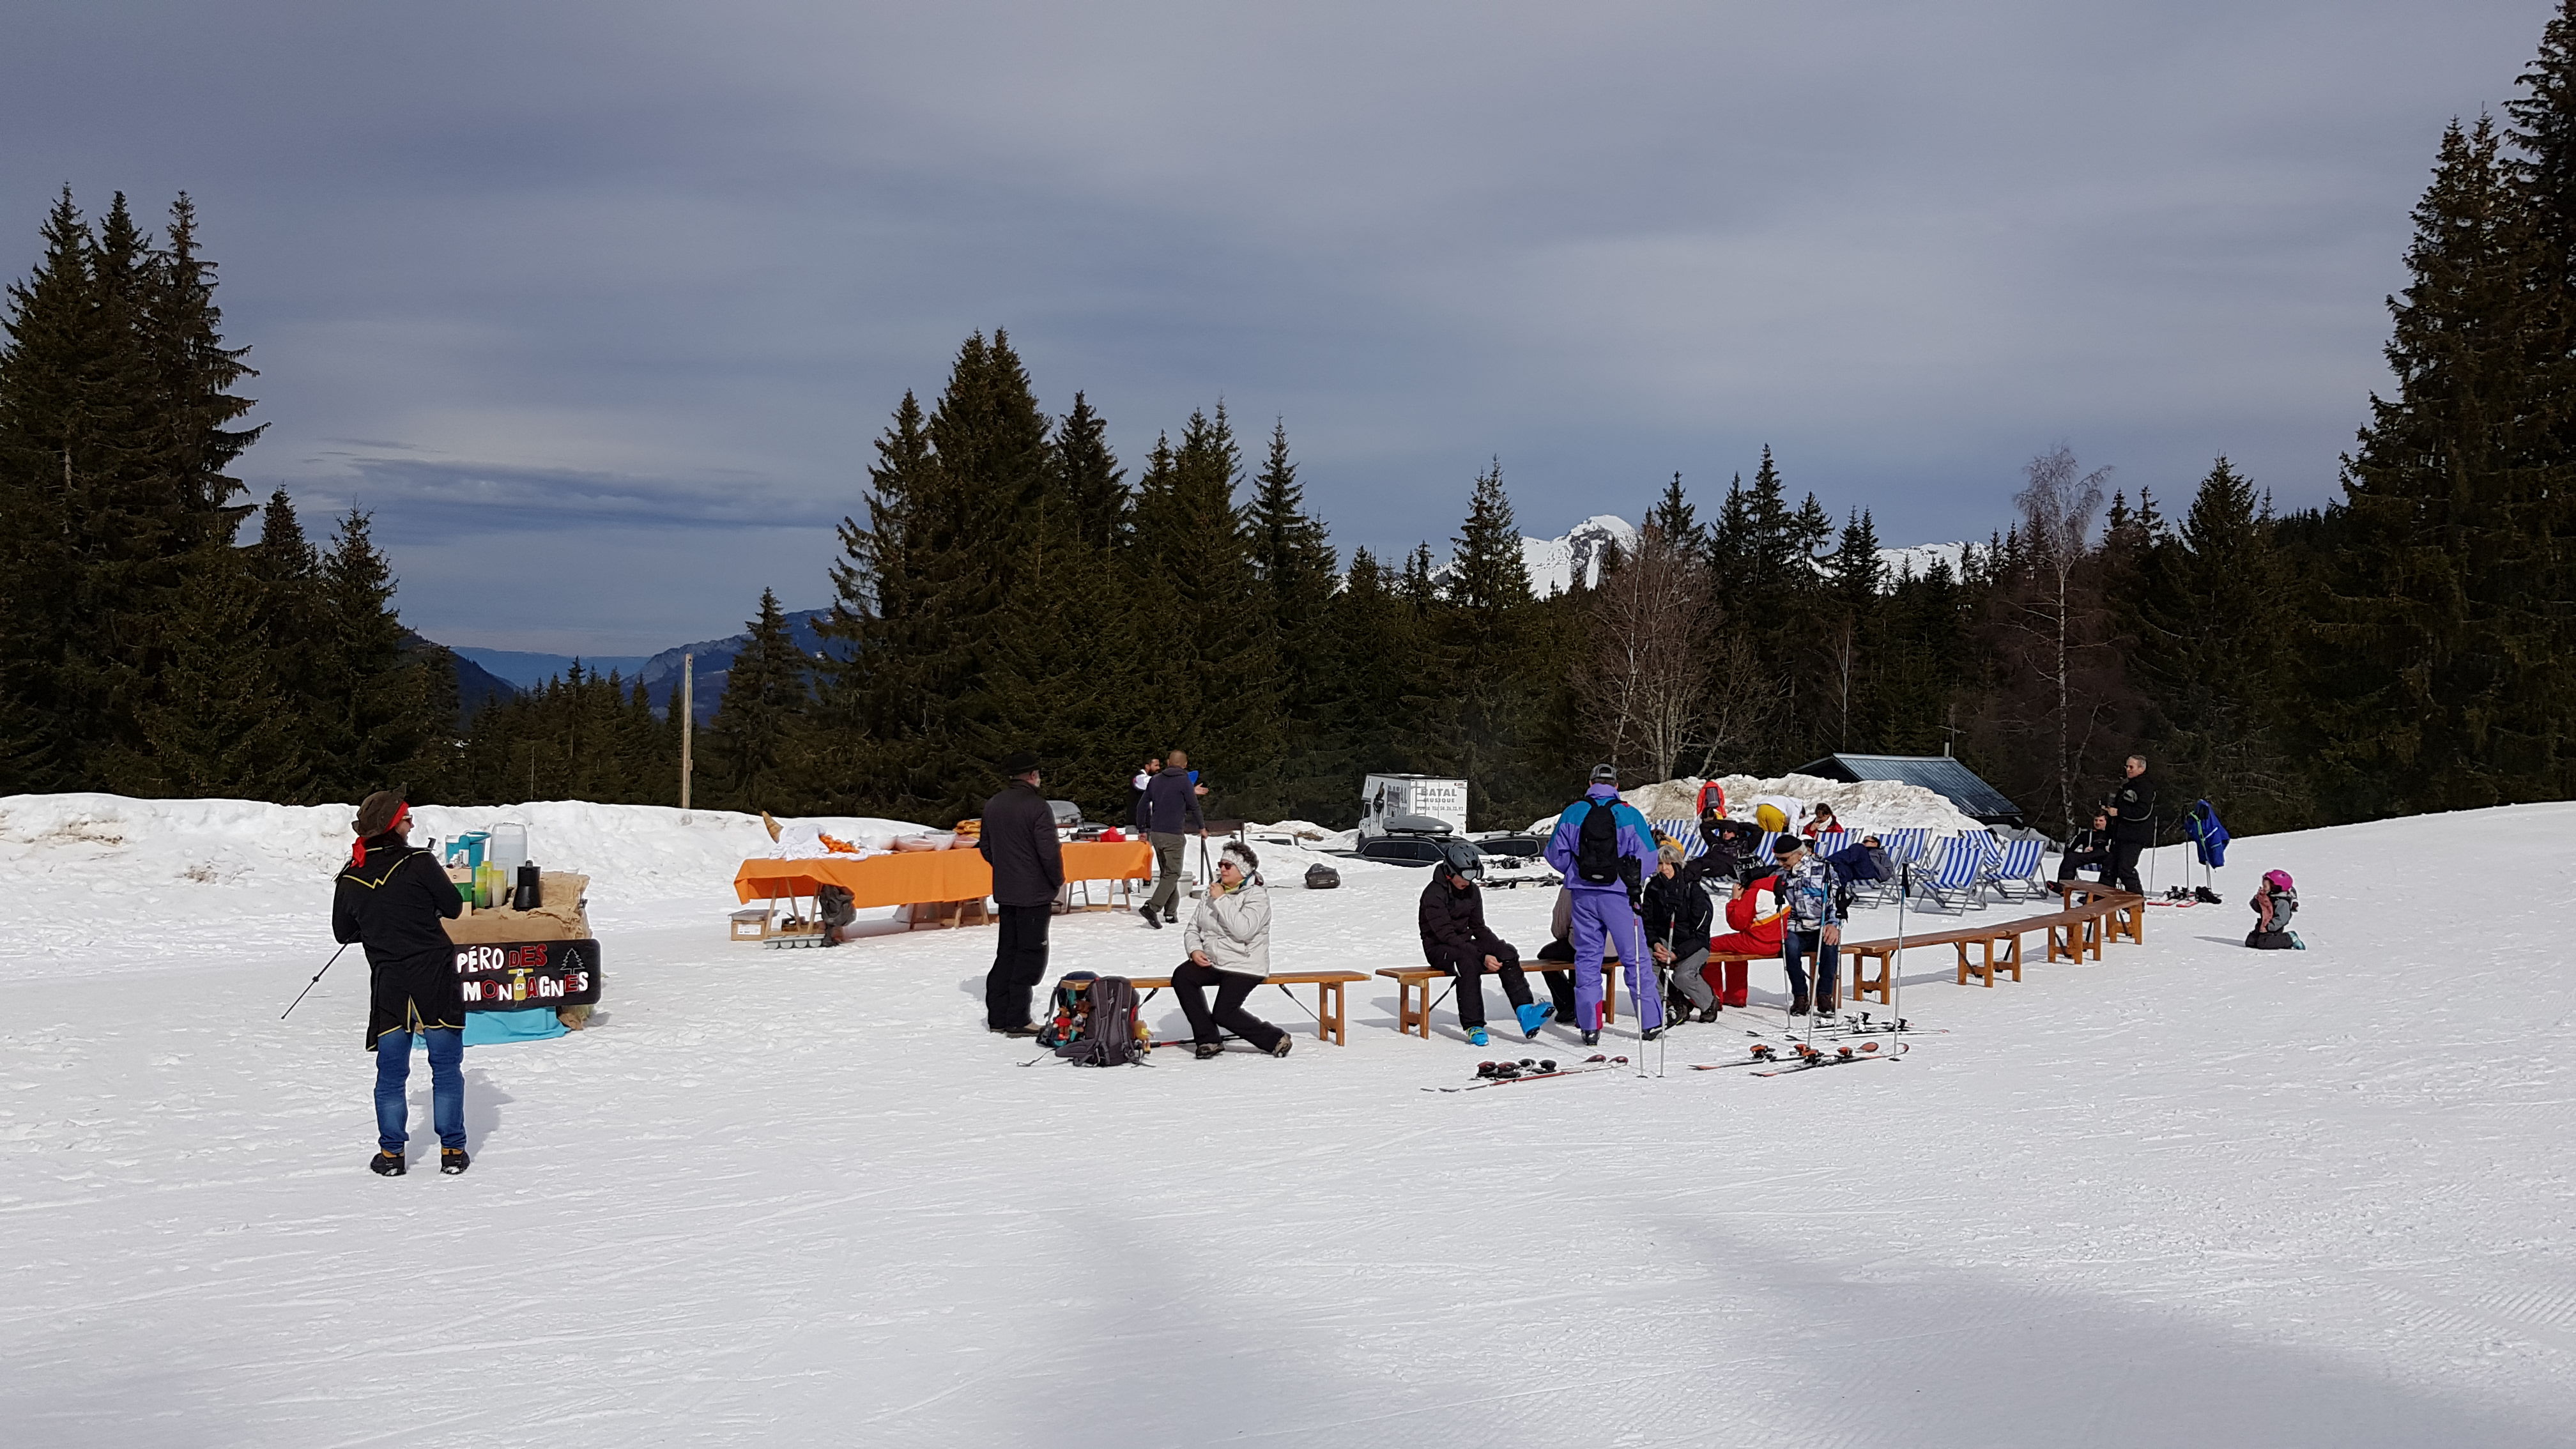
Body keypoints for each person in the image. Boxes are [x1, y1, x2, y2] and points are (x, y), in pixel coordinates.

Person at [332, 788, 470, 1177]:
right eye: (407, 818)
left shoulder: (350, 875)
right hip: (434, 976)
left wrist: (380, 926)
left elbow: (343, 932)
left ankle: (391, 1155)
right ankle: (452, 1151)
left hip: (390, 981)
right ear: (393, 826)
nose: (411, 824)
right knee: (446, 1067)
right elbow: (453, 907)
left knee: (391, 1073)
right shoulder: (420, 862)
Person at [1542, 764, 1659, 1045]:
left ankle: (1590, 1025)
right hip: (1619, 895)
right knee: (1635, 958)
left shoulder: (1573, 812)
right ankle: (1650, 1022)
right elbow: (1649, 857)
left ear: (1590, 783)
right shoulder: (1629, 814)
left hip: (1583, 895)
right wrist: (1630, 879)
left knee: (1587, 960)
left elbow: (1554, 854)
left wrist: (1576, 871)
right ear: (1617, 785)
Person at [1419, 843, 1548, 1046]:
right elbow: (1446, 935)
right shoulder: (1433, 894)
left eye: (1474, 875)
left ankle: (1525, 1011)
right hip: (1438, 948)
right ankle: (1474, 1025)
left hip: (1463, 944)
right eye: (1466, 875)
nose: (1469, 881)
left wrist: (1495, 947)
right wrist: (1481, 956)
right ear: (1450, 872)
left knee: (1507, 953)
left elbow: (1478, 927)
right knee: (1467, 962)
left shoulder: (1472, 891)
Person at [1172, 840, 1290, 1058]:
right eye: (1221, 864)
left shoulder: (1256, 896)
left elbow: (1243, 931)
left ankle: (1275, 1039)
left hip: (1244, 963)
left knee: (1224, 1013)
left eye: (1228, 865)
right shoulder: (1211, 892)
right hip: (1215, 960)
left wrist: (1222, 899)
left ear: (1243, 870)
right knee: (1183, 976)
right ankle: (1208, 1040)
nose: (1223, 869)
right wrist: (1195, 950)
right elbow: (1193, 928)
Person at [977, 751, 1064, 1036]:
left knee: (1007, 951)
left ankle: (998, 1015)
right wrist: (1056, 880)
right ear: (1033, 775)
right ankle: (1018, 1017)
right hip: (1033, 892)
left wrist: (1007, 869)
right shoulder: (1037, 806)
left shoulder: (994, 804)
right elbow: (1049, 852)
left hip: (1007, 889)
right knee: (1030, 953)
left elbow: (986, 847)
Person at [1643, 841, 1717, 1023]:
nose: (1664, 868)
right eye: (1660, 864)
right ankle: (1673, 1002)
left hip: (1694, 942)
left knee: (1683, 976)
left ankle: (1709, 1002)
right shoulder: (1653, 888)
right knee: (1644, 963)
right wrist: (1655, 943)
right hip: (1665, 939)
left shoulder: (1693, 889)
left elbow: (1701, 931)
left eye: (1669, 863)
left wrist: (1677, 954)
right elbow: (1648, 922)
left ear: (1678, 864)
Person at [1701, 859, 1786, 1016]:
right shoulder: (1777, 885)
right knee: (1733, 950)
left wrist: (1734, 900)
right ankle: (1736, 995)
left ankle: (1713, 996)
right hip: (1780, 941)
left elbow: (1737, 923)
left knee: (1708, 946)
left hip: (1759, 942)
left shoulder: (1755, 891)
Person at [1133, 749, 1207, 928]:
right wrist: (1202, 827)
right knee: (1173, 873)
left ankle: (1170, 913)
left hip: (1156, 834)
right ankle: (1152, 907)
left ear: (1168, 762)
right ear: (1185, 765)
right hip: (1173, 834)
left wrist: (1142, 829)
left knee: (1167, 873)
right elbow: (1194, 806)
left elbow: (1142, 805)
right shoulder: (1184, 781)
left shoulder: (1155, 780)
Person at [1772, 834, 1842, 1016]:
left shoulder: (1824, 869)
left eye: (1784, 859)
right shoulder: (1780, 875)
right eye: (1778, 859)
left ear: (1799, 854)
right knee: (1790, 948)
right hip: (1796, 926)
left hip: (1822, 924)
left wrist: (1833, 924)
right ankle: (1800, 996)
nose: (1780, 863)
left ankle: (1825, 995)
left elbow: (1836, 900)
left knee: (1830, 945)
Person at [2103, 754, 2158, 894]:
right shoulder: (2128, 785)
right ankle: (2100, 898)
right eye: (2127, 766)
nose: (2128, 769)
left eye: (2131, 767)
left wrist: (2119, 812)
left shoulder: (2145, 786)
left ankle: (2136, 901)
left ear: (2141, 769)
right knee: (2110, 867)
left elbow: (2143, 812)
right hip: (2120, 833)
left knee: (2125, 868)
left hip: (2135, 835)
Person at [2246, 869, 2302, 949]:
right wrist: (2257, 899)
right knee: (2251, 942)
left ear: (2275, 887)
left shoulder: (2282, 902)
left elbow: (2282, 919)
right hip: (2262, 924)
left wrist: (2269, 927)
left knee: (2264, 943)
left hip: (2273, 928)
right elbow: (2258, 909)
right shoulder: (2268, 898)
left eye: (2266, 886)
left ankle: (2290, 938)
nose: (2263, 888)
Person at [2058, 811, 2116, 885]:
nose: (2098, 823)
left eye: (2101, 821)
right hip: (2088, 856)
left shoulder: (2111, 834)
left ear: (2106, 822)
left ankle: (2105, 886)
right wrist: (2083, 851)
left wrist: (2110, 848)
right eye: (2096, 820)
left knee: (2112, 858)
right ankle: (2064, 884)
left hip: (2105, 857)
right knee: (2070, 857)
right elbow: (2070, 849)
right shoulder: (2086, 834)